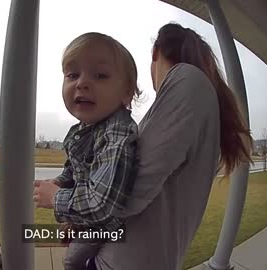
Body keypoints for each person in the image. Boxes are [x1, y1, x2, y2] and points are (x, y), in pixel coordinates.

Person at [87, 23, 253, 269]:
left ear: (155, 52)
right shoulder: (197, 93)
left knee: (35, 235)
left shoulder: (186, 80)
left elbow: (126, 194)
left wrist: (59, 197)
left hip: (121, 264)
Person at [33, 32, 141, 270]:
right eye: (72, 74)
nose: (81, 83)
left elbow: (102, 205)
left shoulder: (117, 134)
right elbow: (75, 170)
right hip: (87, 221)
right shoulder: (83, 130)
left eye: (100, 75)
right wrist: (60, 182)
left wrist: (55, 198)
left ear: (127, 93)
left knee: (71, 261)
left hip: (107, 228)